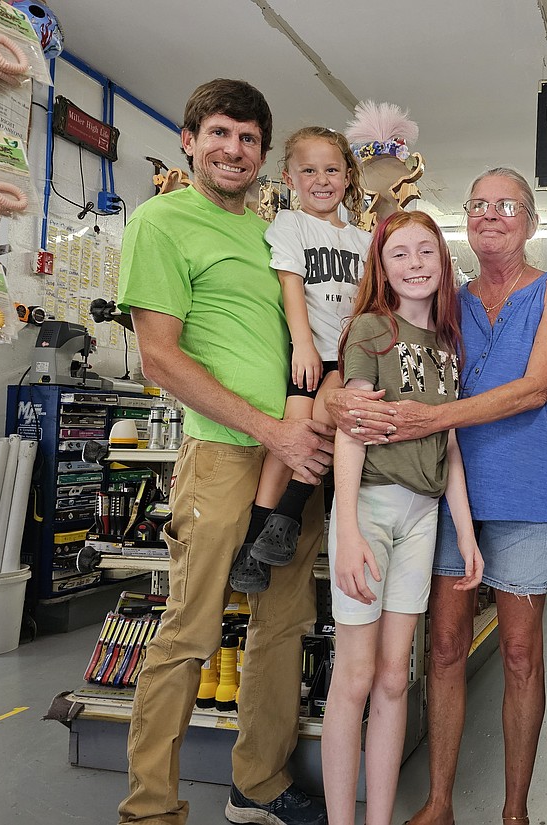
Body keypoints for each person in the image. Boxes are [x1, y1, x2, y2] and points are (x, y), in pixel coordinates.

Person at [326, 168, 547, 825]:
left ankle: (515, 810)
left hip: (523, 498)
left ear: (530, 220)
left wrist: (425, 419)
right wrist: (336, 397)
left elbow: (534, 387)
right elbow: (377, 356)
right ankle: (438, 801)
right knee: (443, 649)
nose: (491, 215)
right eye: (477, 205)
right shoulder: (449, 305)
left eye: (506, 205)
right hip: (444, 498)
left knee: (523, 653)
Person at [115, 79, 333, 825]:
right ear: (189, 140)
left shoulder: (276, 232)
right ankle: (150, 808)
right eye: (219, 133)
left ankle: (259, 784)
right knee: (190, 632)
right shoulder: (160, 222)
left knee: (281, 627)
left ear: (263, 156)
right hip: (222, 457)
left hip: (297, 461)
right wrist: (272, 430)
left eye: (247, 139)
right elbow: (161, 361)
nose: (233, 149)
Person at [322, 210, 483, 825]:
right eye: (400, 255)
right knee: (355, 676)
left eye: (426, 252)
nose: (415, 264)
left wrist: (464, 531)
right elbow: (349, 431)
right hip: (369, 509)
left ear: (443, 262)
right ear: (382, 269)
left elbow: (451, 445)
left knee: (395, 680)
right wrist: (347, 533)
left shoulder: (448, 344)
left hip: (423, 519)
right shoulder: (371, 330)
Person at [230, 126, 371, 592]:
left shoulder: (363, 241)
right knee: (287, 442)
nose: (321, 179)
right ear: (289, 178)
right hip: (308, 354)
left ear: (348, 177)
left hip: (348, 360)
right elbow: (292, 286)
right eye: (308, 170)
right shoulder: (289, 225)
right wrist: (304, 343)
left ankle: (287, 515)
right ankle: (256, 543)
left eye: (332, 169)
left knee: (323, 426)